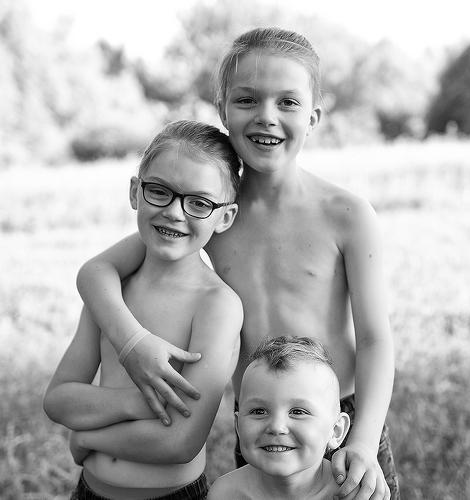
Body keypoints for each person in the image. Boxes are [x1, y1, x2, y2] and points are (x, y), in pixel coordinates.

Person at [76, 27, 399, 499]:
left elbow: (374, 339)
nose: (267, 116)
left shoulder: (346, 215)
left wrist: (364, 441)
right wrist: (132, 343)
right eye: (247, 100)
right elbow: (96, 273)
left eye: (287, 102)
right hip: (262, 420)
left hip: (339, 417)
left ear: (313, 117)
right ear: (223, 109)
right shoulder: (209, 212)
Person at [43, 120, 243, 500]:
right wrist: (137, 403)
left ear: (225, 217)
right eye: (160, 192)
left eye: (199, 203)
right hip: (89, 491)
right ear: (136, 191)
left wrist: (88, 436)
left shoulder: (216, 305)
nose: (175, 212)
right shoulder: (112, 295)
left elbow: (180, 442)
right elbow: (58, 400)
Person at [207, 336, 352, 500]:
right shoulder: (226, 494)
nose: (276, 426)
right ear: (238, 426)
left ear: (336, 430)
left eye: (298, 412)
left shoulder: (351, 494)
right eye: (259, 411)